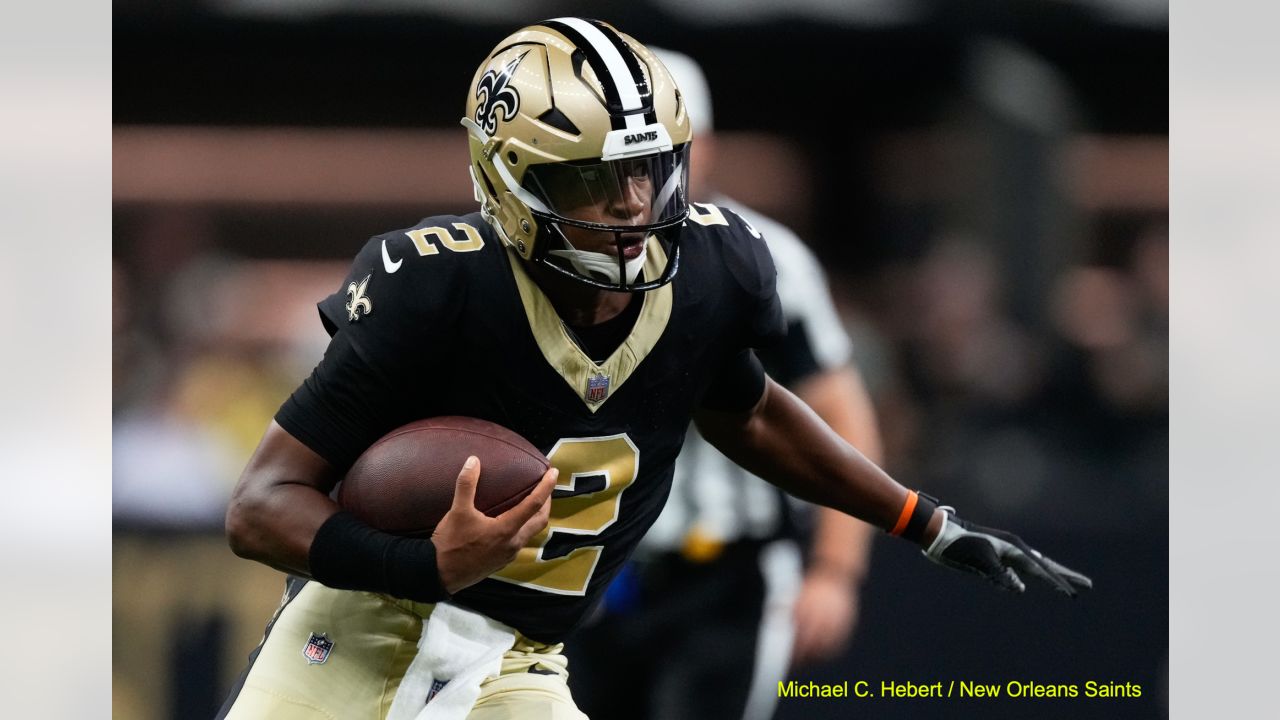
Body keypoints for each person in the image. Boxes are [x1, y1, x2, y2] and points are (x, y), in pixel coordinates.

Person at [218, 18, 1091, 720]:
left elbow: (748, 411)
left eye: (646, 170)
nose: (632, 206)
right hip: (357, 631)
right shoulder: (433, 286)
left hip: (519, 660)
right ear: (508, 182)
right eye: (594, 181)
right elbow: (259, 508)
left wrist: (921, 523)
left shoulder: (720, 267)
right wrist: (421, 566)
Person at [567, 47, 881, 720]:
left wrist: (835, 569)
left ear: (701, 146)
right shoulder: (559, 250)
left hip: (722, 574)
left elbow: (840, 413)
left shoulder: (758, 258)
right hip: (587, 572)